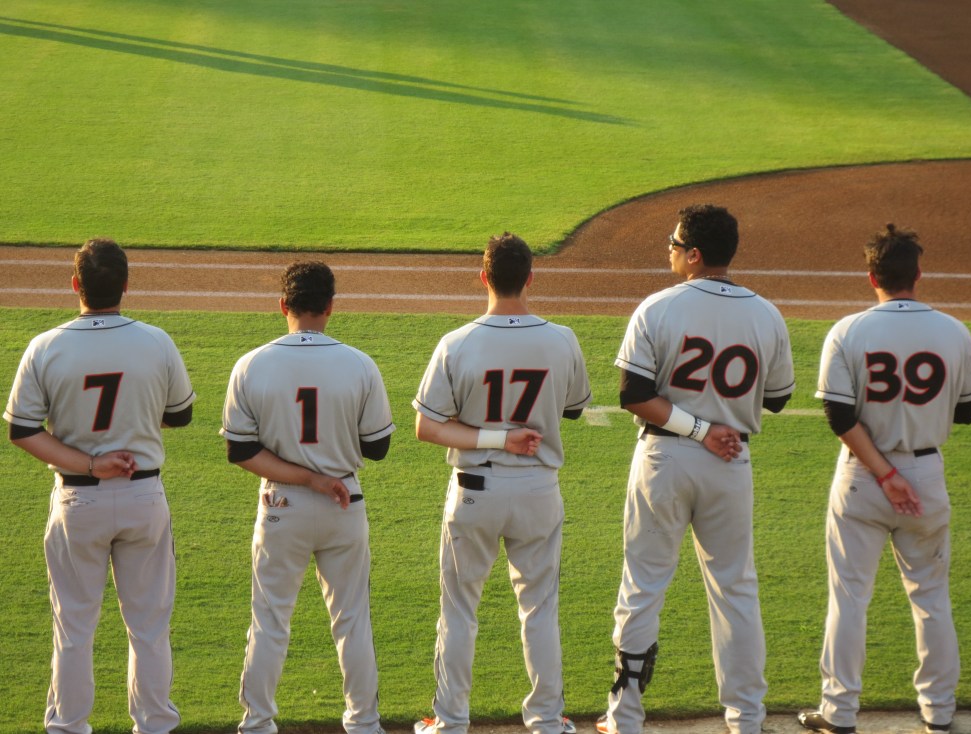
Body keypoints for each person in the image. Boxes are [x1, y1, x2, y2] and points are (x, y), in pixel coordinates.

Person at [597, 204, 795, 734]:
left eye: (675, 243)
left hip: (664, 459)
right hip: (730, 462)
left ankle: (624, 717)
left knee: (643, 585)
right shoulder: (766, 314)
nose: (669, 249)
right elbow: (777, 398)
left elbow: (634, 394)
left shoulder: (658, 307)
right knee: (736, 588)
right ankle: (746, 718)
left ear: (695, 255)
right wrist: (717, 420)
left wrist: (698, 426)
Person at [3, 238, 195, 734]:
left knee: (73, 628)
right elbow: (180, 415)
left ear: (75, 285)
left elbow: (22, 430)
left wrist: (92, 462)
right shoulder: (156, 341)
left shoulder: (46, 346)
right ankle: (154, 726)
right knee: (149, 629)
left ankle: (68, 727)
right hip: (142, 496)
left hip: (77, 500)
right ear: (126, 285)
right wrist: (133, 422)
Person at [798, 225, 971, 734]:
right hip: (926, 476)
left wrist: (885, 473)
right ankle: (939, 712)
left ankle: (839, 712)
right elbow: (967, 412)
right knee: (931, 597)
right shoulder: (955, 332)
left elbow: (839, 415)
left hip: (862, 475)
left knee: (849, 597)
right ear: (918, 274)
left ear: (872, 277)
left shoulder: (848, 331)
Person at [412, 232, 592, 734]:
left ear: (483, 277)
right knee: (539, 609)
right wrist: (514, 432)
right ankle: (547, 721)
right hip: (538, 490)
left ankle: (450, 722)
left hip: (474, 491)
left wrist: (492, 436)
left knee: (459, 610)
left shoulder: (457, 343)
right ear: (530, 278)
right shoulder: (562, 339)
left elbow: (427, 427)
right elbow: (573, 409)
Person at [221, 260, 394, 734]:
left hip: (281, 506)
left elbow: (240, 451)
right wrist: (328, 455)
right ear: (330, 306)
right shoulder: (359, 364)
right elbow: (378, 447)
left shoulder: (251, 364)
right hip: (344, 502)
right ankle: (364, 723)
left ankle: (258, 723)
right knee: (352, 620)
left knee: (270, 619)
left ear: (284, 305)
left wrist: (303, 474)